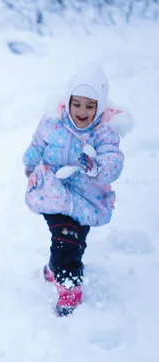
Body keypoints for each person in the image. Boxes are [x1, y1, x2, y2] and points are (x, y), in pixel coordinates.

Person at [23, 67, 133, 316]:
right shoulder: (53, 121)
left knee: (76, 241)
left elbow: (114, 162)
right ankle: (70, 289)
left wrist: (97, 168)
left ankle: (54, 267)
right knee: (65, 238)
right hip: (53, 191)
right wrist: (30, 168)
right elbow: (37, 143)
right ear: (68, 101)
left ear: (100, 106)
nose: (82, 112)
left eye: (90, 106)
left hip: (87, 199)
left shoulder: (104, 133)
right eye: (77, 104)